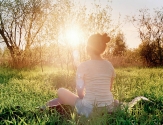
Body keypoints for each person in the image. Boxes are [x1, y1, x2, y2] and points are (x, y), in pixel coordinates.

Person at [40, 33, 117, 117]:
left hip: (89, 109)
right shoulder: (109, 65)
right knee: (113, 101)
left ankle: (44, 107)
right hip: (109, 108)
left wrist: (85, 98)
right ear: (103, 48)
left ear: (88, 48)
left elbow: (80, 94)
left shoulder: (83, 66)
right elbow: (109, 88)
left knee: (61, 91)